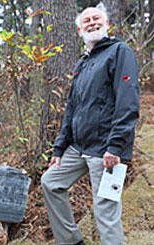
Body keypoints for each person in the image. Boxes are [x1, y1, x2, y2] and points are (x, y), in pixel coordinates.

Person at [41, 6, 140, 245]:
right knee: (50, 183)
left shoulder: (119, 52)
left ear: (107, 23)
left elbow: (128, 102)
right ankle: (72, 241)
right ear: (79, 29)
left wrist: (116, 147)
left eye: (97, 18)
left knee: (105, 213)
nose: (92, 23)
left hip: (106, 149)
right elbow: (72, 108)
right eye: (86, 20)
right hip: (78, 147)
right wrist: (59, 149)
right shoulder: (82, 64)